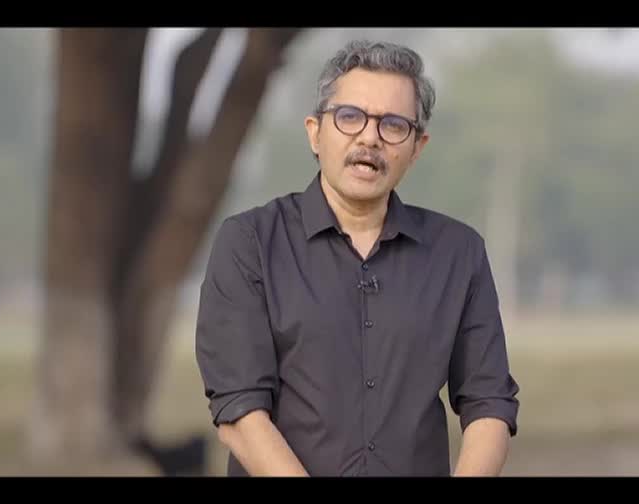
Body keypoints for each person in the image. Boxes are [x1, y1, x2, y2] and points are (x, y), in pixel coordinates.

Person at [195, 39, 520, 477]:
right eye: (350, 117)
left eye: (393, 125)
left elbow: (489, 403)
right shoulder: (250, 242)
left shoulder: (458, 253)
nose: (370, 137)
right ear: (315, 130)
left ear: (417, 146)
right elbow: (239, 410)